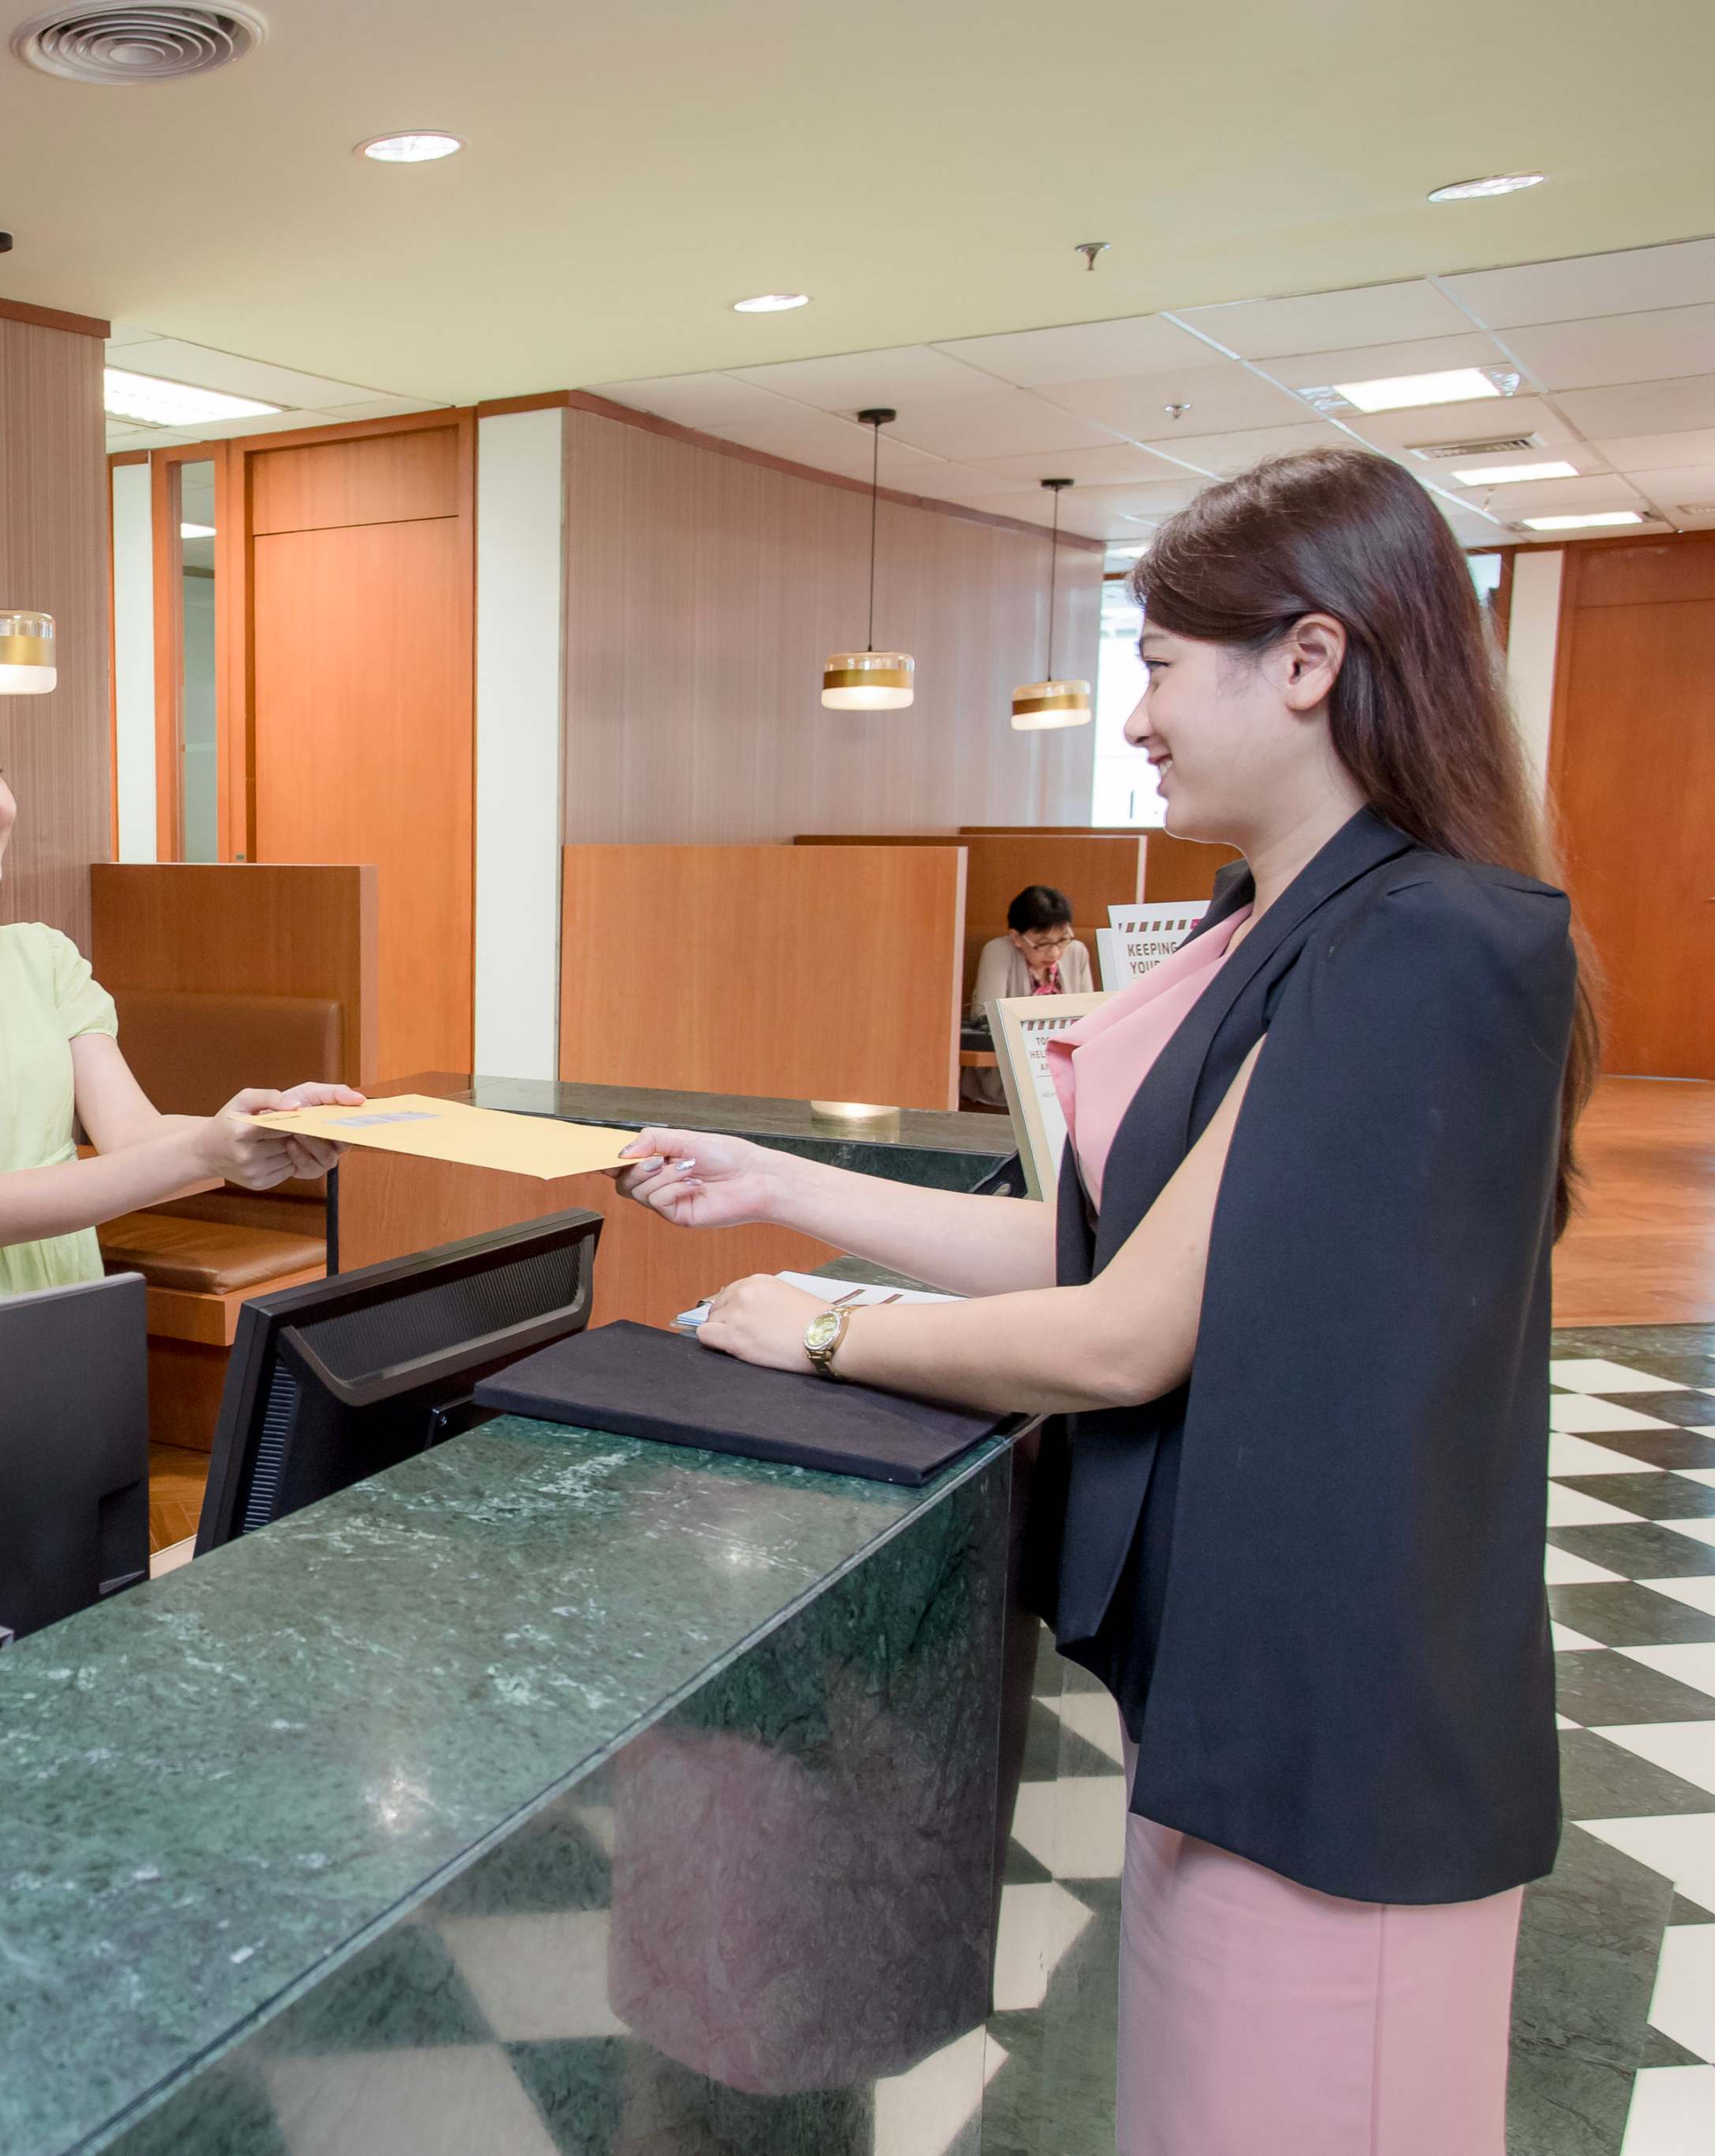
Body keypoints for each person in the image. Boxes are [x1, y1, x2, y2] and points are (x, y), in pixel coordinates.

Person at [613, 445, 1586, 2155]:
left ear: (1308, 658)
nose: (1132, 716)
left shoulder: (1426, 941)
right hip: (1226, 1692)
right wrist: (778, 1187)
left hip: (1341, 1730)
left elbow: (1128, 1332)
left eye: (1154, 661)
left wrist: (827, 1325)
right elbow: (1102, 1243)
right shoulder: (1267, 921)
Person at [0, 666, 360, 1338]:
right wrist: (208, 1152)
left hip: (54, 1301)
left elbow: (133, 1136)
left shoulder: (41, 956)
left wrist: (272, 1130)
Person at [964, 886, 1095, 1106]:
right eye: (1043, 944)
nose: (1055, 953)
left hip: (1066, 1072)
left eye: (1062, 940)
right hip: (1008, 1076)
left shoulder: (1077, 951)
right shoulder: (999, 951)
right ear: (1016, 937)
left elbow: (1090, 1016)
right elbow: (985, 1016)